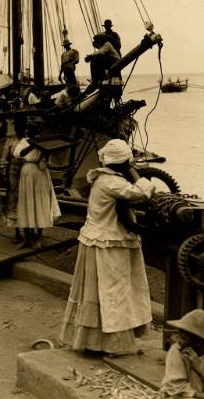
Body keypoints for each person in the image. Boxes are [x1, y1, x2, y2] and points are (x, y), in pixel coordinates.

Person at [61, 139, 155, 355]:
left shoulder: (101, 179)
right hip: (108, 245)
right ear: (123, 162)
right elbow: (141, 194)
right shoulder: (113, 183)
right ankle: (111, 344)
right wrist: (136, 175)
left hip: (96, 240)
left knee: (96, 292)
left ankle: (94, 342)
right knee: (114, 292)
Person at [14, 121, 60, 248]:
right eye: (27, 130)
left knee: (40, 203)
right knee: (26, 204)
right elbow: (19, 154)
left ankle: (38, 237)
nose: (28, 132)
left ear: (37, 131)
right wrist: (33, 144)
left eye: (31, 130)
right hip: (27, 172)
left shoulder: (44, 143)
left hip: (40, 173)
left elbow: (46, 161)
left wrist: (43, 149)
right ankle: (28, 238)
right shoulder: (24, 142)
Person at [1, 116, 26, 243]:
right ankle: (17, 232)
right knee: (15, 199)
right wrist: (4, 174)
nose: (20, 129)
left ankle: (28, 230)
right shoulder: (10, 141)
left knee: (27, 198)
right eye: (18, 127)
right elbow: (4, 159)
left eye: (23, 127)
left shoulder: (29, 140)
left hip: (27, 172)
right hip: (13, 172)